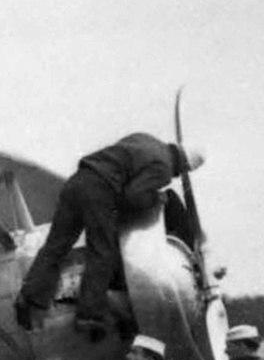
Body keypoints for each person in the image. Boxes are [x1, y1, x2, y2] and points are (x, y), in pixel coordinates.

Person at [16, 134, 205, 339]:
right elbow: (133, 195)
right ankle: (89, 315)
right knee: (102, 253)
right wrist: (155, 197)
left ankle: (29, 298)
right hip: (99, 192)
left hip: (77, 182)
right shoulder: (164, 168)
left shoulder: (146, 139)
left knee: (55, 247)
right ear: (184, 165)